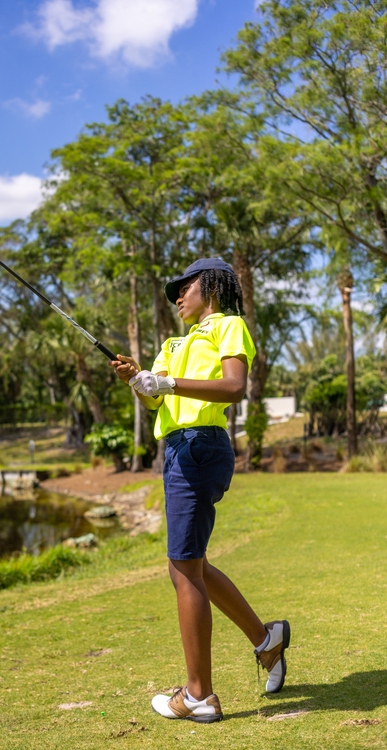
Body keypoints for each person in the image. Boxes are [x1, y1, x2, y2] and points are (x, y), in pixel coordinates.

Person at [109, 258, 290, 724]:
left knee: (183, 569)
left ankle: (199, 696)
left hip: (201, 446)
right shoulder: (173, 344)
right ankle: (265, 641)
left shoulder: (226, 327)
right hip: (175, 450)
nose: (177, 299)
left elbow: (234, 387)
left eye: (183, 288)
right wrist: (138, 379)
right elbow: (155, 396)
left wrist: (166, 382)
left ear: (208, 285)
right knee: (193, 565)